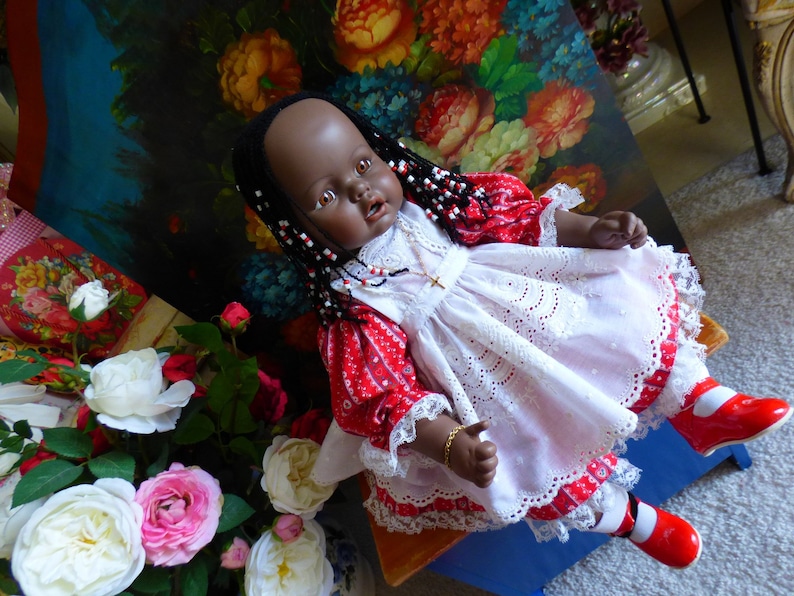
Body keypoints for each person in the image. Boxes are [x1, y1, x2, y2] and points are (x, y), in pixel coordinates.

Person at [232, 91, 791, 568]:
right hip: (475, 386)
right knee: (528, 461)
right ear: (296, 227)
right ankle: (634, 522)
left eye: (362, 164)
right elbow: (384, 390)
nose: (360, 191)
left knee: (620, 311)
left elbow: (520, 222)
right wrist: (446, 440)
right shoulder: (355, 305)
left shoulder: (437, 209)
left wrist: (591, 230)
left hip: (533, 309)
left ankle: (705, 406)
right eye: (326, 197)